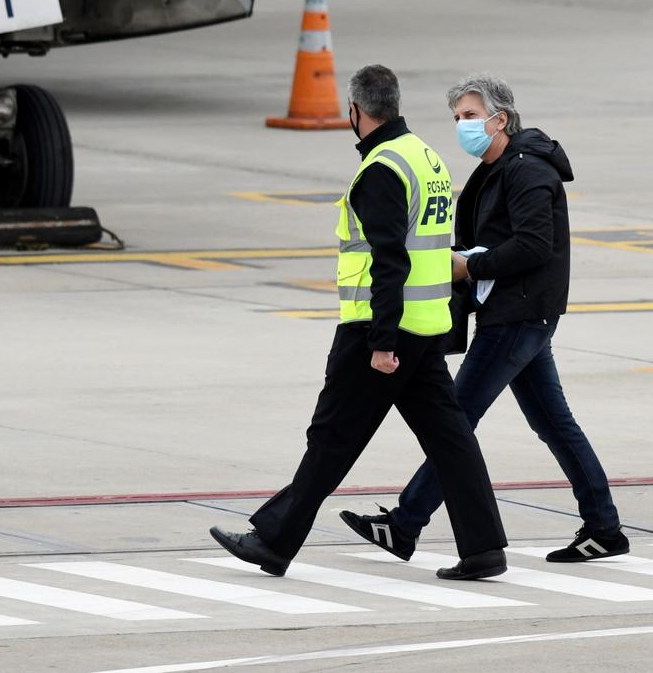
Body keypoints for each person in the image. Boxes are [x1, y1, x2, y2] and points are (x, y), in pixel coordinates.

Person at [210, 64, 509, 581]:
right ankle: (484, 547)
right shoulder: (427, 158)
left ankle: (274, 543)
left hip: (378, 331)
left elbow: (388, 260)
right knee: (451, 440)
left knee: (332, 438)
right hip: (425, 326)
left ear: (355, 111)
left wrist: (381, 340)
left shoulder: (382, 169)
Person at [341, 74, 629, 563]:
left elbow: (535, 245)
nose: (463, 126)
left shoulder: (527, 171)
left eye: (471, 116)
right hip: (518, 313)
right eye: (457, 118)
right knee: (553, 423)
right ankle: (604, 527)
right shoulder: (493, 170)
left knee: (453, 421)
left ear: (501, 119)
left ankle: (405, 524)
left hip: (518, 315)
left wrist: (470, 264)